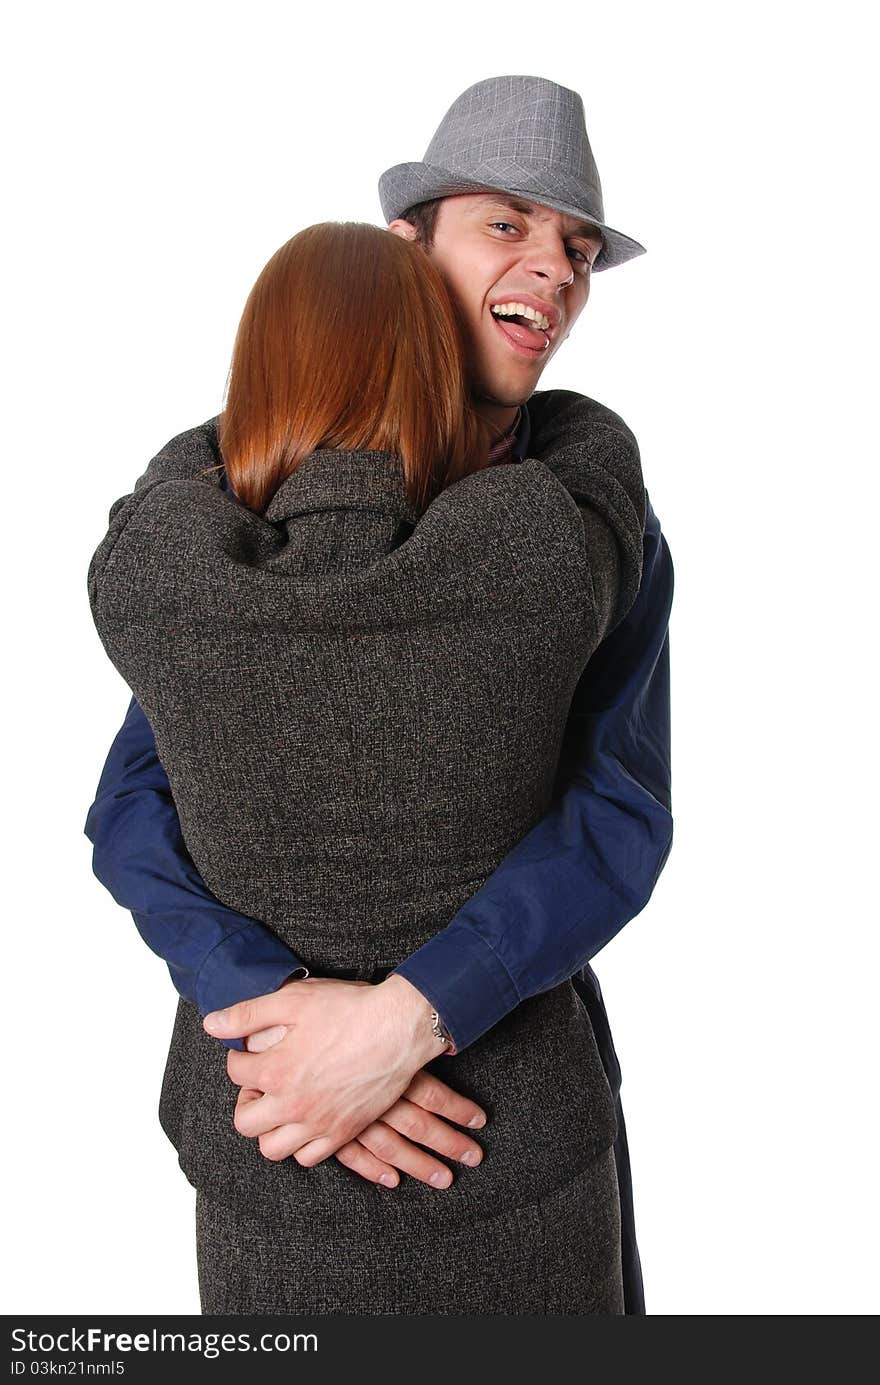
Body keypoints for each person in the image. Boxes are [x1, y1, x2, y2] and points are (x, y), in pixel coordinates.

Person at [83, 75, 673, 1313]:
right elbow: (140, 793)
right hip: (280, 1115)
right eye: (505, 224)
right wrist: (273, 1009)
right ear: (407, 252)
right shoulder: (239, 493)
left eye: (575, 247)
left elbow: (616, 807)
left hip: (494, 1109)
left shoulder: (591, 511)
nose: (553, 271)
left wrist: (408, 1019)